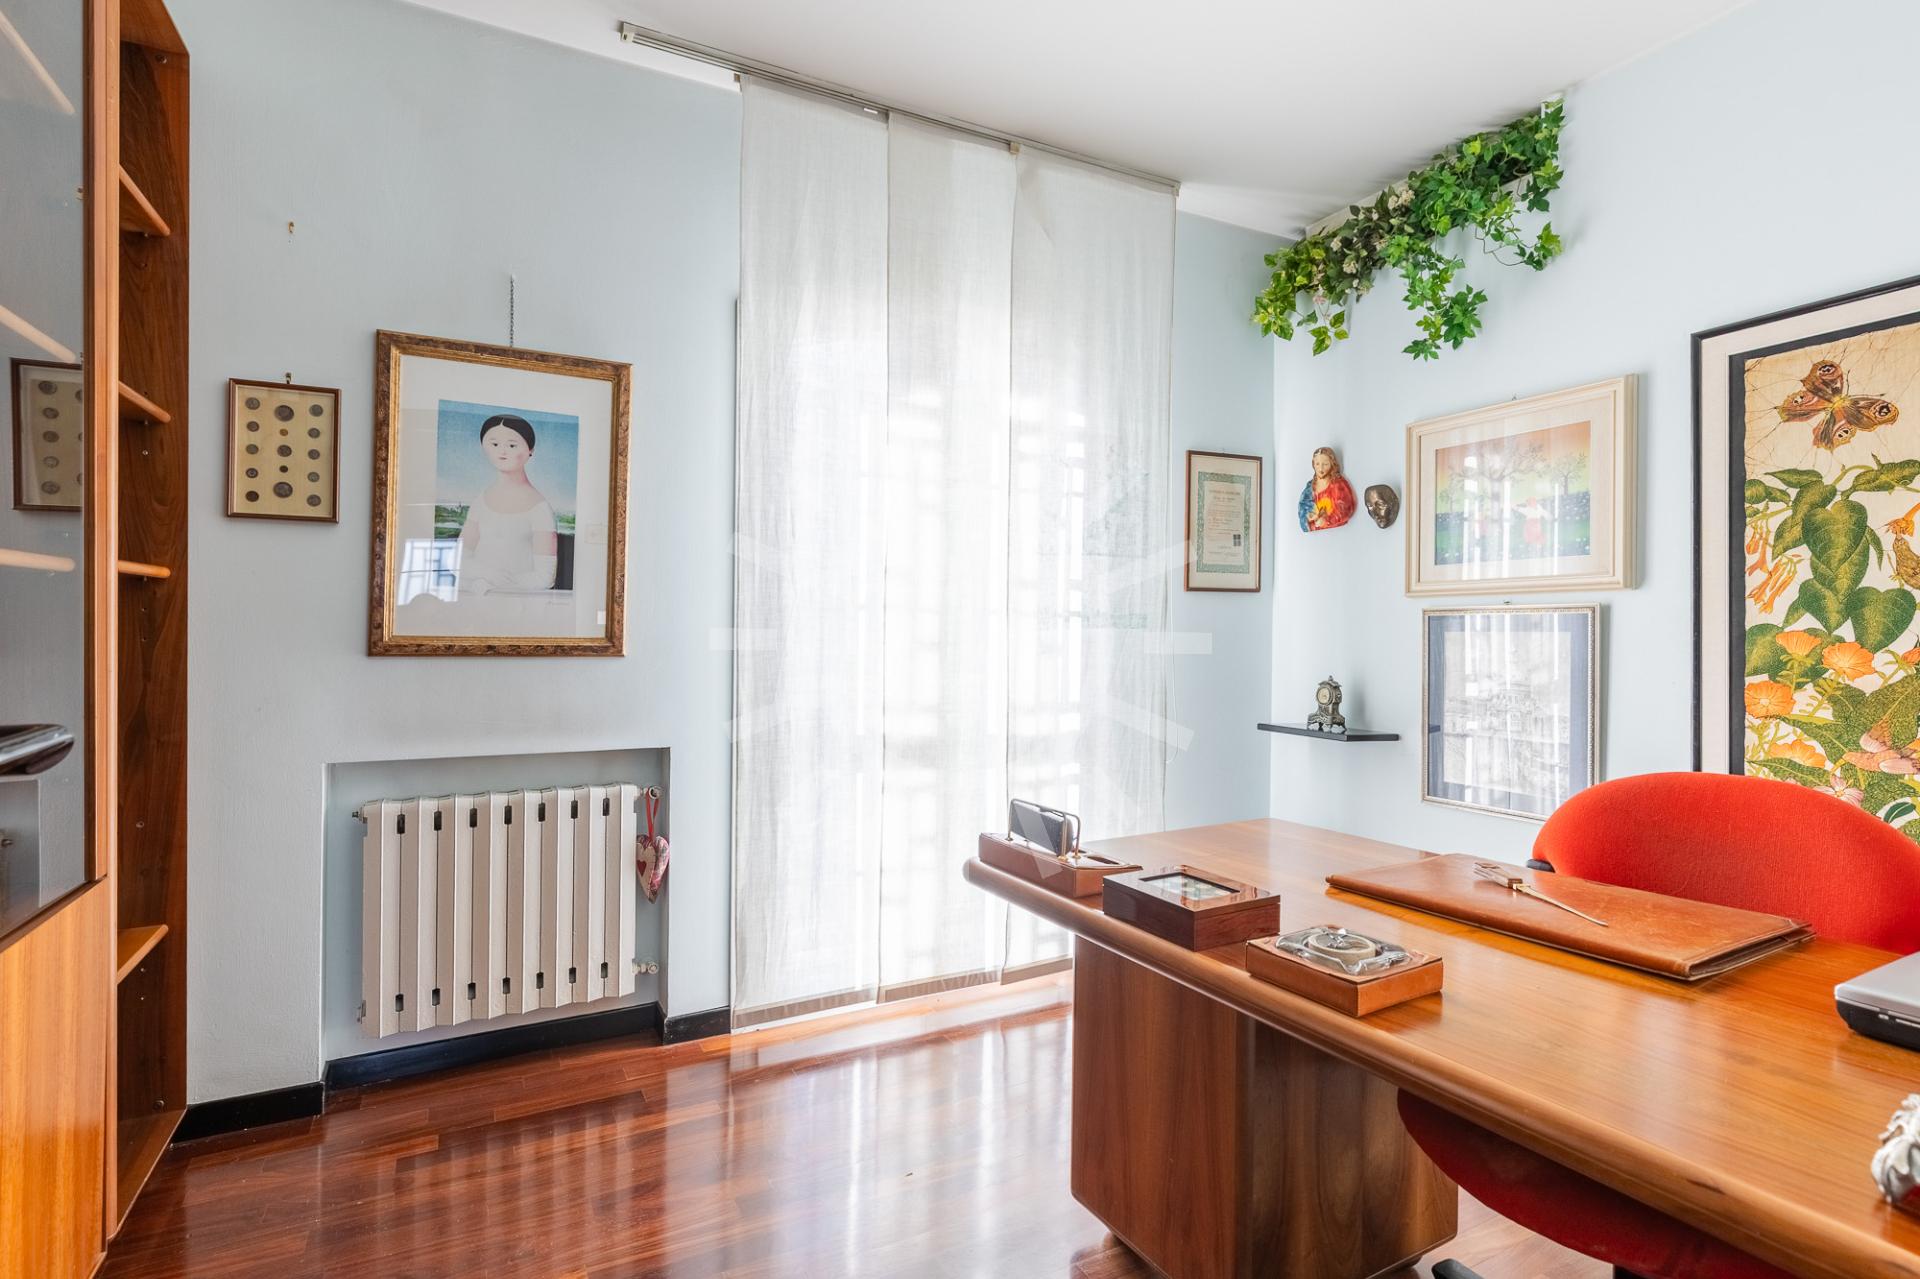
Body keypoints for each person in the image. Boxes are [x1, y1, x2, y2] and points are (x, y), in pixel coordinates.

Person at [456, 414, 558, 596]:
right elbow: (458, 560)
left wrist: (494, 583)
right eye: (494, 444)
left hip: (517, 603)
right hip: (476, 597)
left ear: (530, 450)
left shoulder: (540, 509)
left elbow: (545, 577)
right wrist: (485, 575)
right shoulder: (480, 501)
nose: (502, 451)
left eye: (512, 445)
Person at [1298, 445, 1357, 531]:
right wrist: (1309, 516)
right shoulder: (1310, 487)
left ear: (1332, 464)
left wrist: (1327, 520)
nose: (1320, 468)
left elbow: (1345, 507)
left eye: (1325, 464)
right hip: (1315, 534)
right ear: (1313, 464)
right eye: (1317, 464)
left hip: (1337, 532)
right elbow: (1303, 507)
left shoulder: (1338, 484)